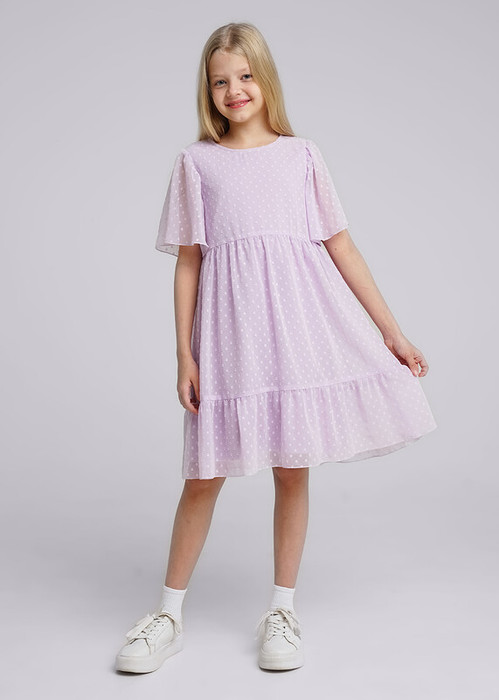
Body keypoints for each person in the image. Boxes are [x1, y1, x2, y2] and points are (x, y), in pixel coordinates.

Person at [115, 21, 437, 674]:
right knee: (203, 476)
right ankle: (168, 615)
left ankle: (282, 609)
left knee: (293, 468)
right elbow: (189, 263)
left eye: (244, 76)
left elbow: (340, 246)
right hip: (229, 339)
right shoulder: (197, 163)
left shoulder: (302, 156)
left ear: (265, 79)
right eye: (220, 81)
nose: (234, 90)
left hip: (298, 333)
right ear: (207, 91)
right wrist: (184, 354)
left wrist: (391, 331)